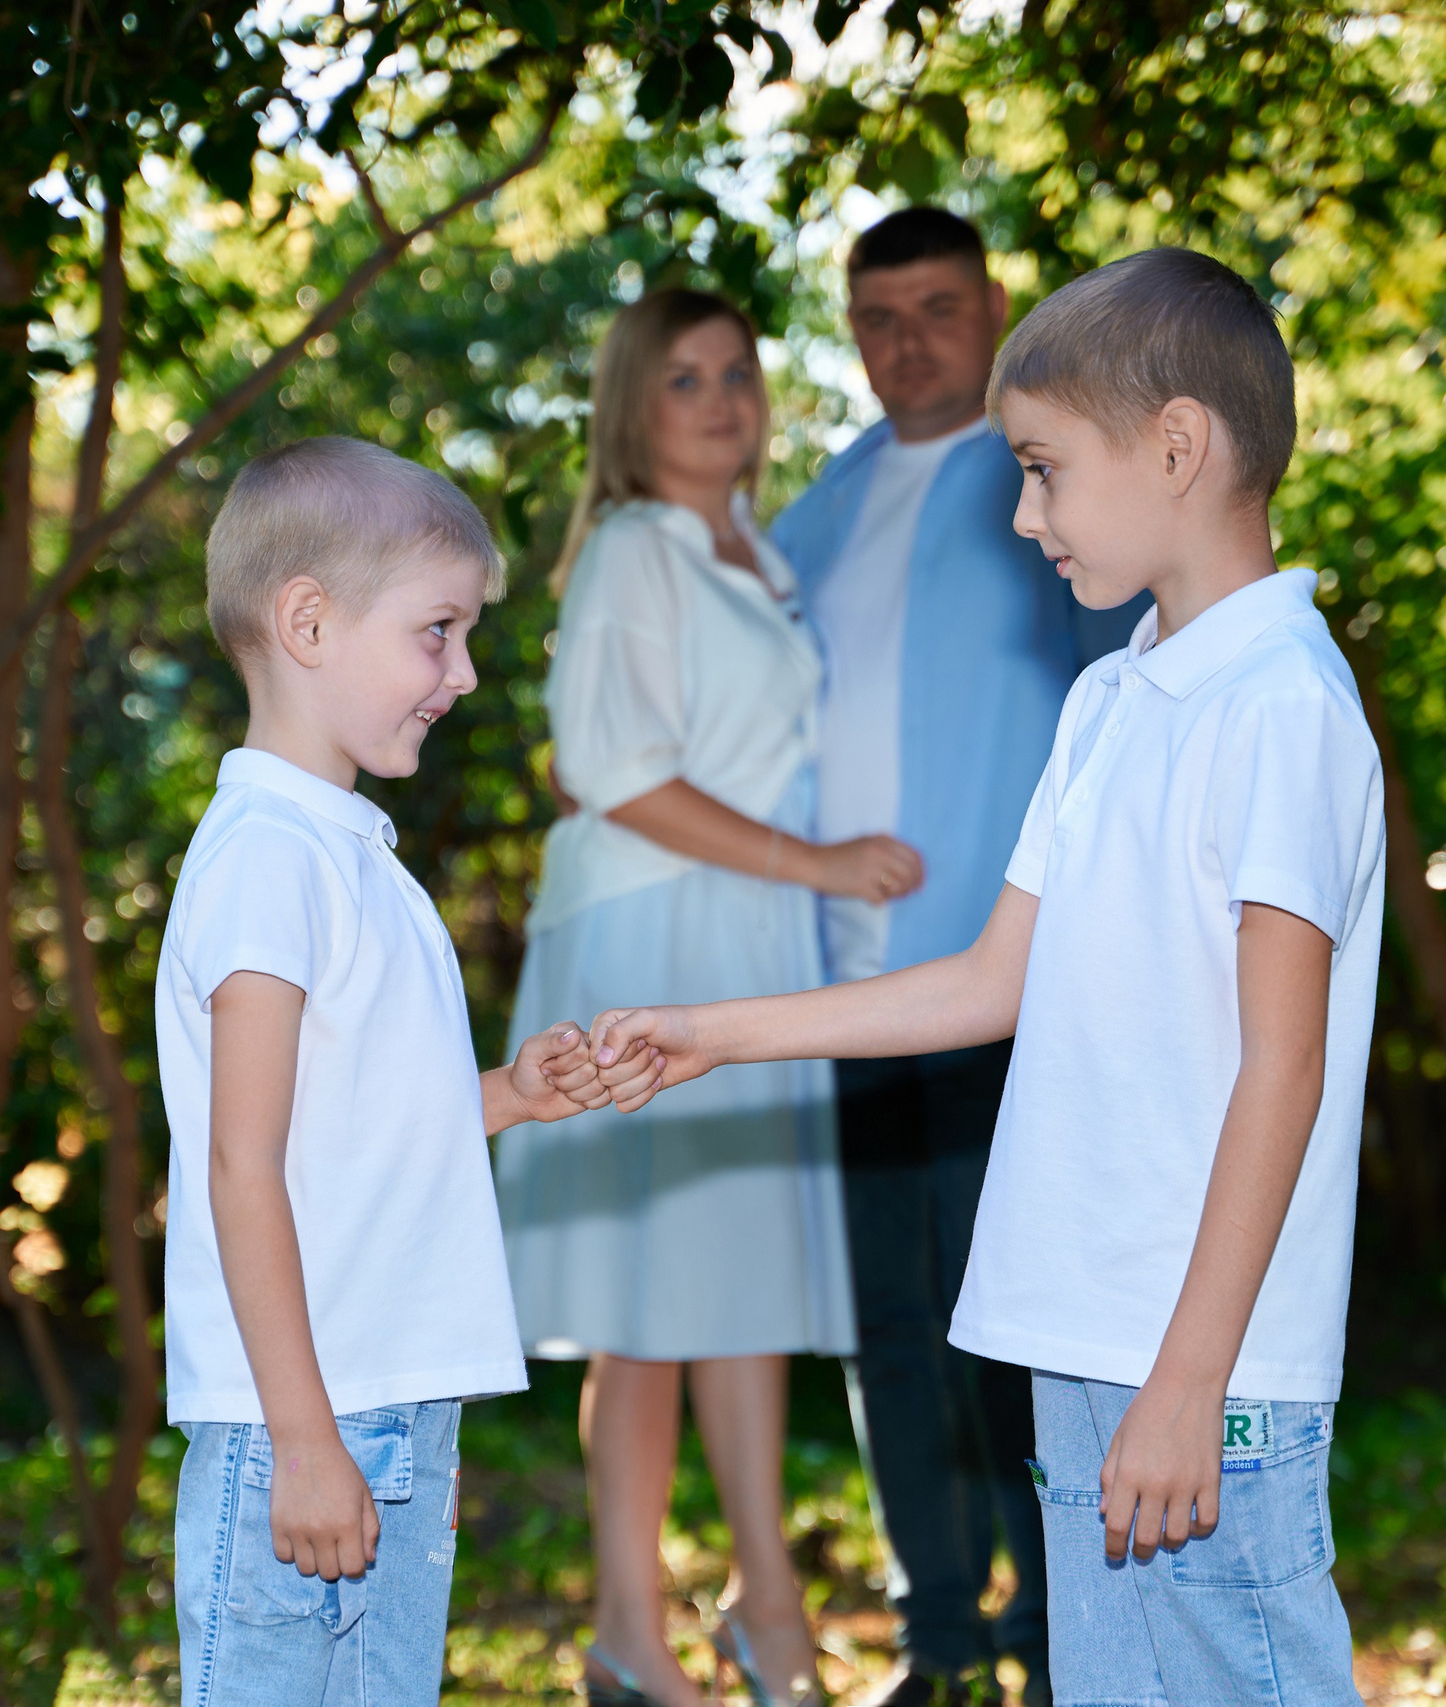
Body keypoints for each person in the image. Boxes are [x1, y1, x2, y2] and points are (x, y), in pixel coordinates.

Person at [588, 248, 1383, 1707]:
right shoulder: (1107, 699)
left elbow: (1286, 1063)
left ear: (1178, 445)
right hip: (1077, 1335)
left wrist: (1190, 1378)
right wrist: (714, 1032)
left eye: (1042, 470)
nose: (1022, 515)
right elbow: (986, 979)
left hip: (1204, 1367)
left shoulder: (1282, 707)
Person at [493, 288, 922, 1707]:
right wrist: (818, 863)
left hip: (751, 934)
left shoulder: (761, 549)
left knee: (739, 1280)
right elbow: (611, 770)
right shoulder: (633, 548)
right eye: (684, 378)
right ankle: (629, 1626)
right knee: (647, 1293)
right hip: (649, 932)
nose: (722, 398)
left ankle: (767, 1609)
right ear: (632, 404)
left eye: (738, 371)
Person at [157, 437, 611, 1707]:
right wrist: (303, 1438)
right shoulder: (267, 858)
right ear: (308, 623)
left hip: (393, 1402)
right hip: (303, 1419)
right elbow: (241, 1166)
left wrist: (509, 1096)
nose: (462, 674)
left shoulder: (349, 854)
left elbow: (350, 1129)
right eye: (437, 633)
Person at [768, 207, 1143, 1707]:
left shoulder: (1047, 480)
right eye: (876, 315)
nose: (904, 340)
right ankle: (937, 1637)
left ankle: (1057, 1642)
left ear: (991, 305)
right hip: (845, 986)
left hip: (1012, 978)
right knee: (886, 1330)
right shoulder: (815, 510)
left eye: (935, 307)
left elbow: (1127, 697)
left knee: (1016, 1319)